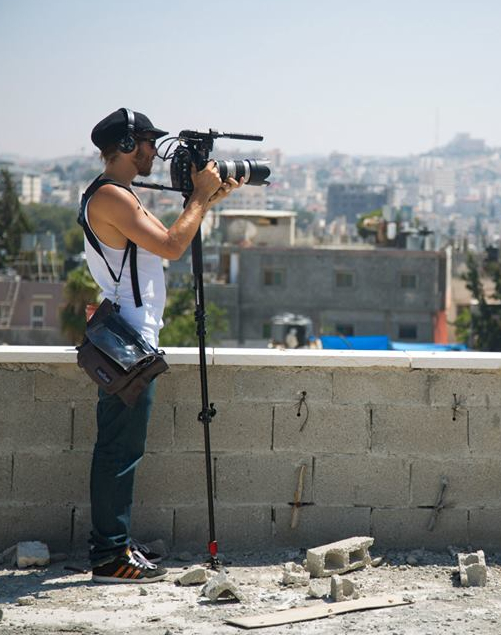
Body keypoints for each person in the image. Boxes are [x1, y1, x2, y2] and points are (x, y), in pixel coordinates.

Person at [83, 108, 241, 583]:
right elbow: (172, 246)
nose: (155, 150)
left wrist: (205, 200)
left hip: (130, 335)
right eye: (148, 142)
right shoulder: (112, 197)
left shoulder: (119, 195)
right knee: (118, 450)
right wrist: (198, 195)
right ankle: (109, 555)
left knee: (121, 446)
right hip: (127, 341)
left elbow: (168, 238)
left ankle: (117, 542)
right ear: (129, 145)